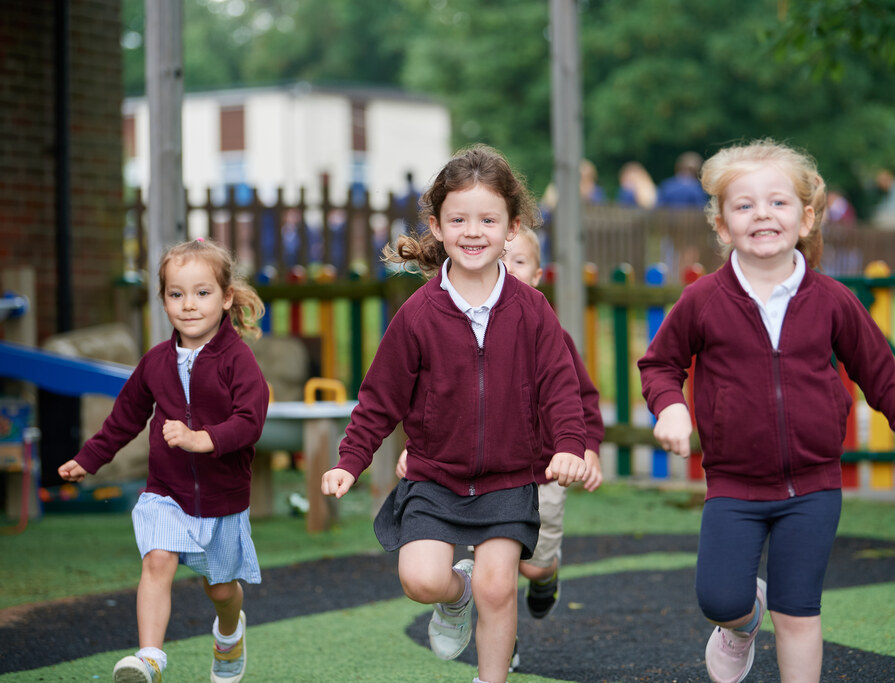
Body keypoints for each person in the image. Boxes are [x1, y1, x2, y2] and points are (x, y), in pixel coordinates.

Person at [637, 139, 895, 683]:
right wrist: (670, 409)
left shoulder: (832, 300)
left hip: (813, 486)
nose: (762, 214)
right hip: (734, 484)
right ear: (721, 225)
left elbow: (878, 373)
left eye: (778, 202)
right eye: (745, 205)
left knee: (799, 612)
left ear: (806, 218)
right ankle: (742, 622)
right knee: (720, 598)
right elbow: (659, 365)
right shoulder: (704, 300)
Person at [321, 144, 589, 683]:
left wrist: (569, 445)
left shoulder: (532, 309)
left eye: (488, 219)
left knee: (499, 585)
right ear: (437, 227)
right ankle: (456, 592)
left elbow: (560, 385)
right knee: (421, 579)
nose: (473, 231)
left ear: (512, 228)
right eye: (458, 219)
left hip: (510, 478)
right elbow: (380, 397)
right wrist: (350, 460)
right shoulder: (418, 315)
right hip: (435, 477)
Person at [394, 225, 605, 672]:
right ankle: (501, 653)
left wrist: (586, 448)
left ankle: (547, 573)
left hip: (546, 470)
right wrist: (420, 447)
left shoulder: (544, 327)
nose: (509, 269)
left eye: (521, 261)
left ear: (539, 273)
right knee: (495, 579)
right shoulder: (445, 322)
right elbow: (428, 397)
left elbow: (579, 397)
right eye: (503, 260)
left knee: (530, 569)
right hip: (473, 474)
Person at [58, 237, 269, 683]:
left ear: (226, 297)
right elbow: (125, 417)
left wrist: (201, 439)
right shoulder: (155, 362)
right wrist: (89, 459)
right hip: (166, 490)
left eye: (202, 292)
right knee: (157, 560)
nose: (188, 305)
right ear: (163, 301)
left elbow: (250, 422)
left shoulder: (239, 360)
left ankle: (229, 635)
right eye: (176, 294)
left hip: (222, 499)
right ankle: (150, 657)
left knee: (221, 590)